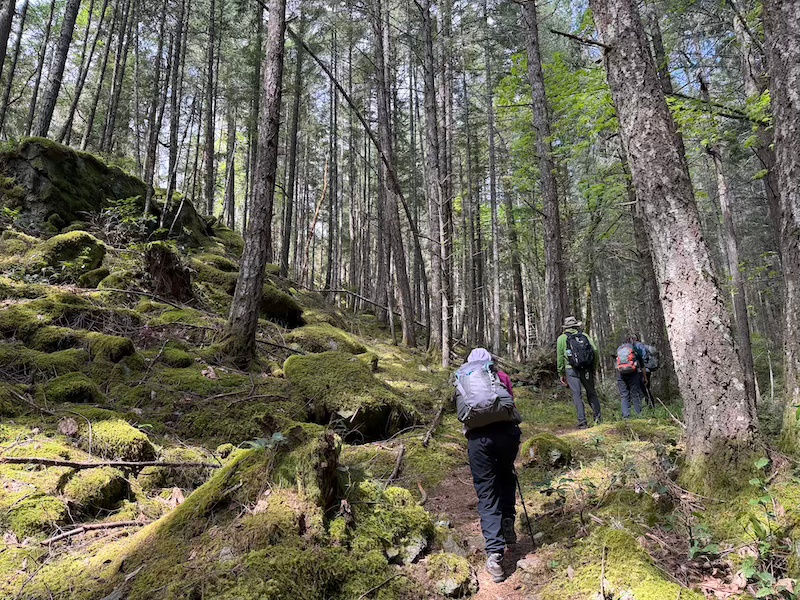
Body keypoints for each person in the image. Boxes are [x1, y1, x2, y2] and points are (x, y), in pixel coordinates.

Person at [453, 348, 522, 583]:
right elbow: (510, 405)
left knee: (486, 491)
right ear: (490, 362)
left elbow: (461, 411)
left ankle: (494, 554)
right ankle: (508, 521)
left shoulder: (463, 378)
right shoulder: (501, 376)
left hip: (478, 440)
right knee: (506, 476)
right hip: (506, 435)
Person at [557, 316, 601, 428]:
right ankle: (598, 419)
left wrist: (561, 373)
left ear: (566, 327)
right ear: (576, 326)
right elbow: (595, 350)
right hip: (586, 368)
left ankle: (582, 422)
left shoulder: (561, 338)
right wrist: (593, 366)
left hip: (570, 369)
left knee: (577, 395)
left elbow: (560, 357)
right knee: (591, 392)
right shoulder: (584, 336)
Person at [615, 334, 647, 418]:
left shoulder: (619, 349)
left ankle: (626, 416)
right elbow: (642, 365)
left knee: (624, 395)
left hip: (621, 374)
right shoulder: (634, 349)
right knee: (635, 394)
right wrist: (645, 378)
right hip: (633, 373)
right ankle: (639, 415)